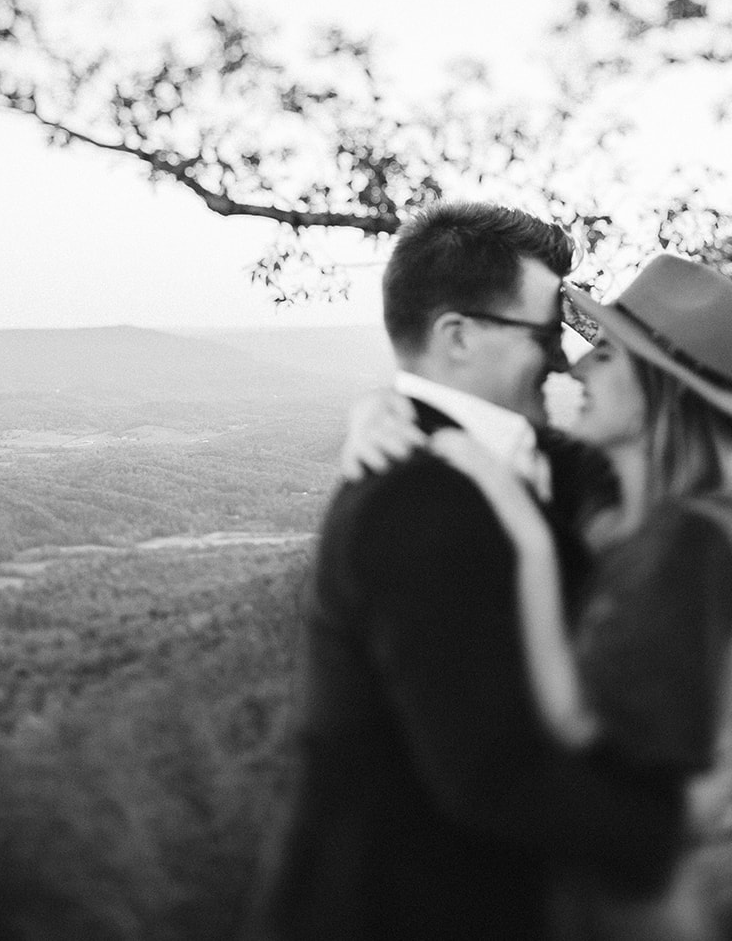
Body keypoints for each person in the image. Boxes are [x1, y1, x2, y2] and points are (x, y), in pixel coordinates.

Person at [244, 203, 689, 941]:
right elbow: (491, 772)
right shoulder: (413, 499)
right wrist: (668, 824)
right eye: (545, 333)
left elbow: (647, 465)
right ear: (457, 335)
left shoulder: (535, 457)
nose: (561, 359)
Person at [344, 252, 732, 939]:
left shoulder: (691, 541)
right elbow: (525, 443)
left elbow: (579, 722)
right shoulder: (628, 511)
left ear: (659, 390)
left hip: (629, 896)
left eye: (606, 355)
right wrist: (390, 406)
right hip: (586, 877)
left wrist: (518, 530)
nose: (576, 368)